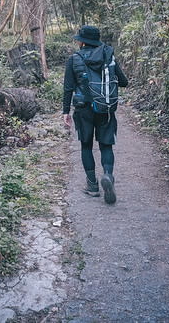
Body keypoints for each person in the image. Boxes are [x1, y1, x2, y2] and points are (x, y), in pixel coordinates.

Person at [62, 25, 128, 204]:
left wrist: (65, 112)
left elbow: (68, 88)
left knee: (86, 146)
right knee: (106, 146)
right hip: (105, 108)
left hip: (83, 109)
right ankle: (108, 176)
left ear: (82, 41)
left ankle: (92, 186)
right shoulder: (108, 55)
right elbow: (124, 82)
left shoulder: (74, 59)